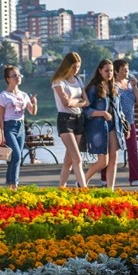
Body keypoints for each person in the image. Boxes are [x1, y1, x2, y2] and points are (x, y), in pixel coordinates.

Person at [99, 59, 138, 187]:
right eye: (123, 69)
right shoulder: (113, 85)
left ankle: (135, 177)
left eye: (127, 69)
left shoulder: (130, 84)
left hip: (129, 122)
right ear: (116, 71)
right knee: (111, 151)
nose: (126, 71)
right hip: (115, 122)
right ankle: (104, 178)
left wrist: (135, 87)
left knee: (133, 150)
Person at [83, 59, 125, 191]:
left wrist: (125, 125)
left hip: (114, 125)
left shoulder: (114, 87)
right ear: (100, 71)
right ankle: (83, 181)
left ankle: (110, 189)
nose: (109, 73)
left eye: (111, 71)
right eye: (106, 71)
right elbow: (86, 110)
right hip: (98, 127)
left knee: (114, 158)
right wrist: (101, 113)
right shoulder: (93, 88)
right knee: (103, 161)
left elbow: (119, 110)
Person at [0, 65, 37, 190]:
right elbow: (0, 117)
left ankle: (10, 185)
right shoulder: (3, 96)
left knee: (14, 158)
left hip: (21, 127)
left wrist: (34, 103)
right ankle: (14, 185)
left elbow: (32, 111)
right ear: (8, 79)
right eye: (14, 76)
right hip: (9, 126)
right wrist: (1, 133)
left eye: (19, 75)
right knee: (17, 156)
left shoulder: (23, 95)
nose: (18, 78)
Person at [51, 52, 89, 188]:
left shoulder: (78, 80)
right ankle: (84, 189)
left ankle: (61, 188)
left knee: (68, 160)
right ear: (67, 66)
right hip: (65, 120)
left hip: (78, 119)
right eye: (73, 67)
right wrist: (78, 101)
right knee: (77, 158)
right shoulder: (58, 81)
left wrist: (76, 102)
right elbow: (65, 102)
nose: (76, 70)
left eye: (78, 67)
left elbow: (86, 101)